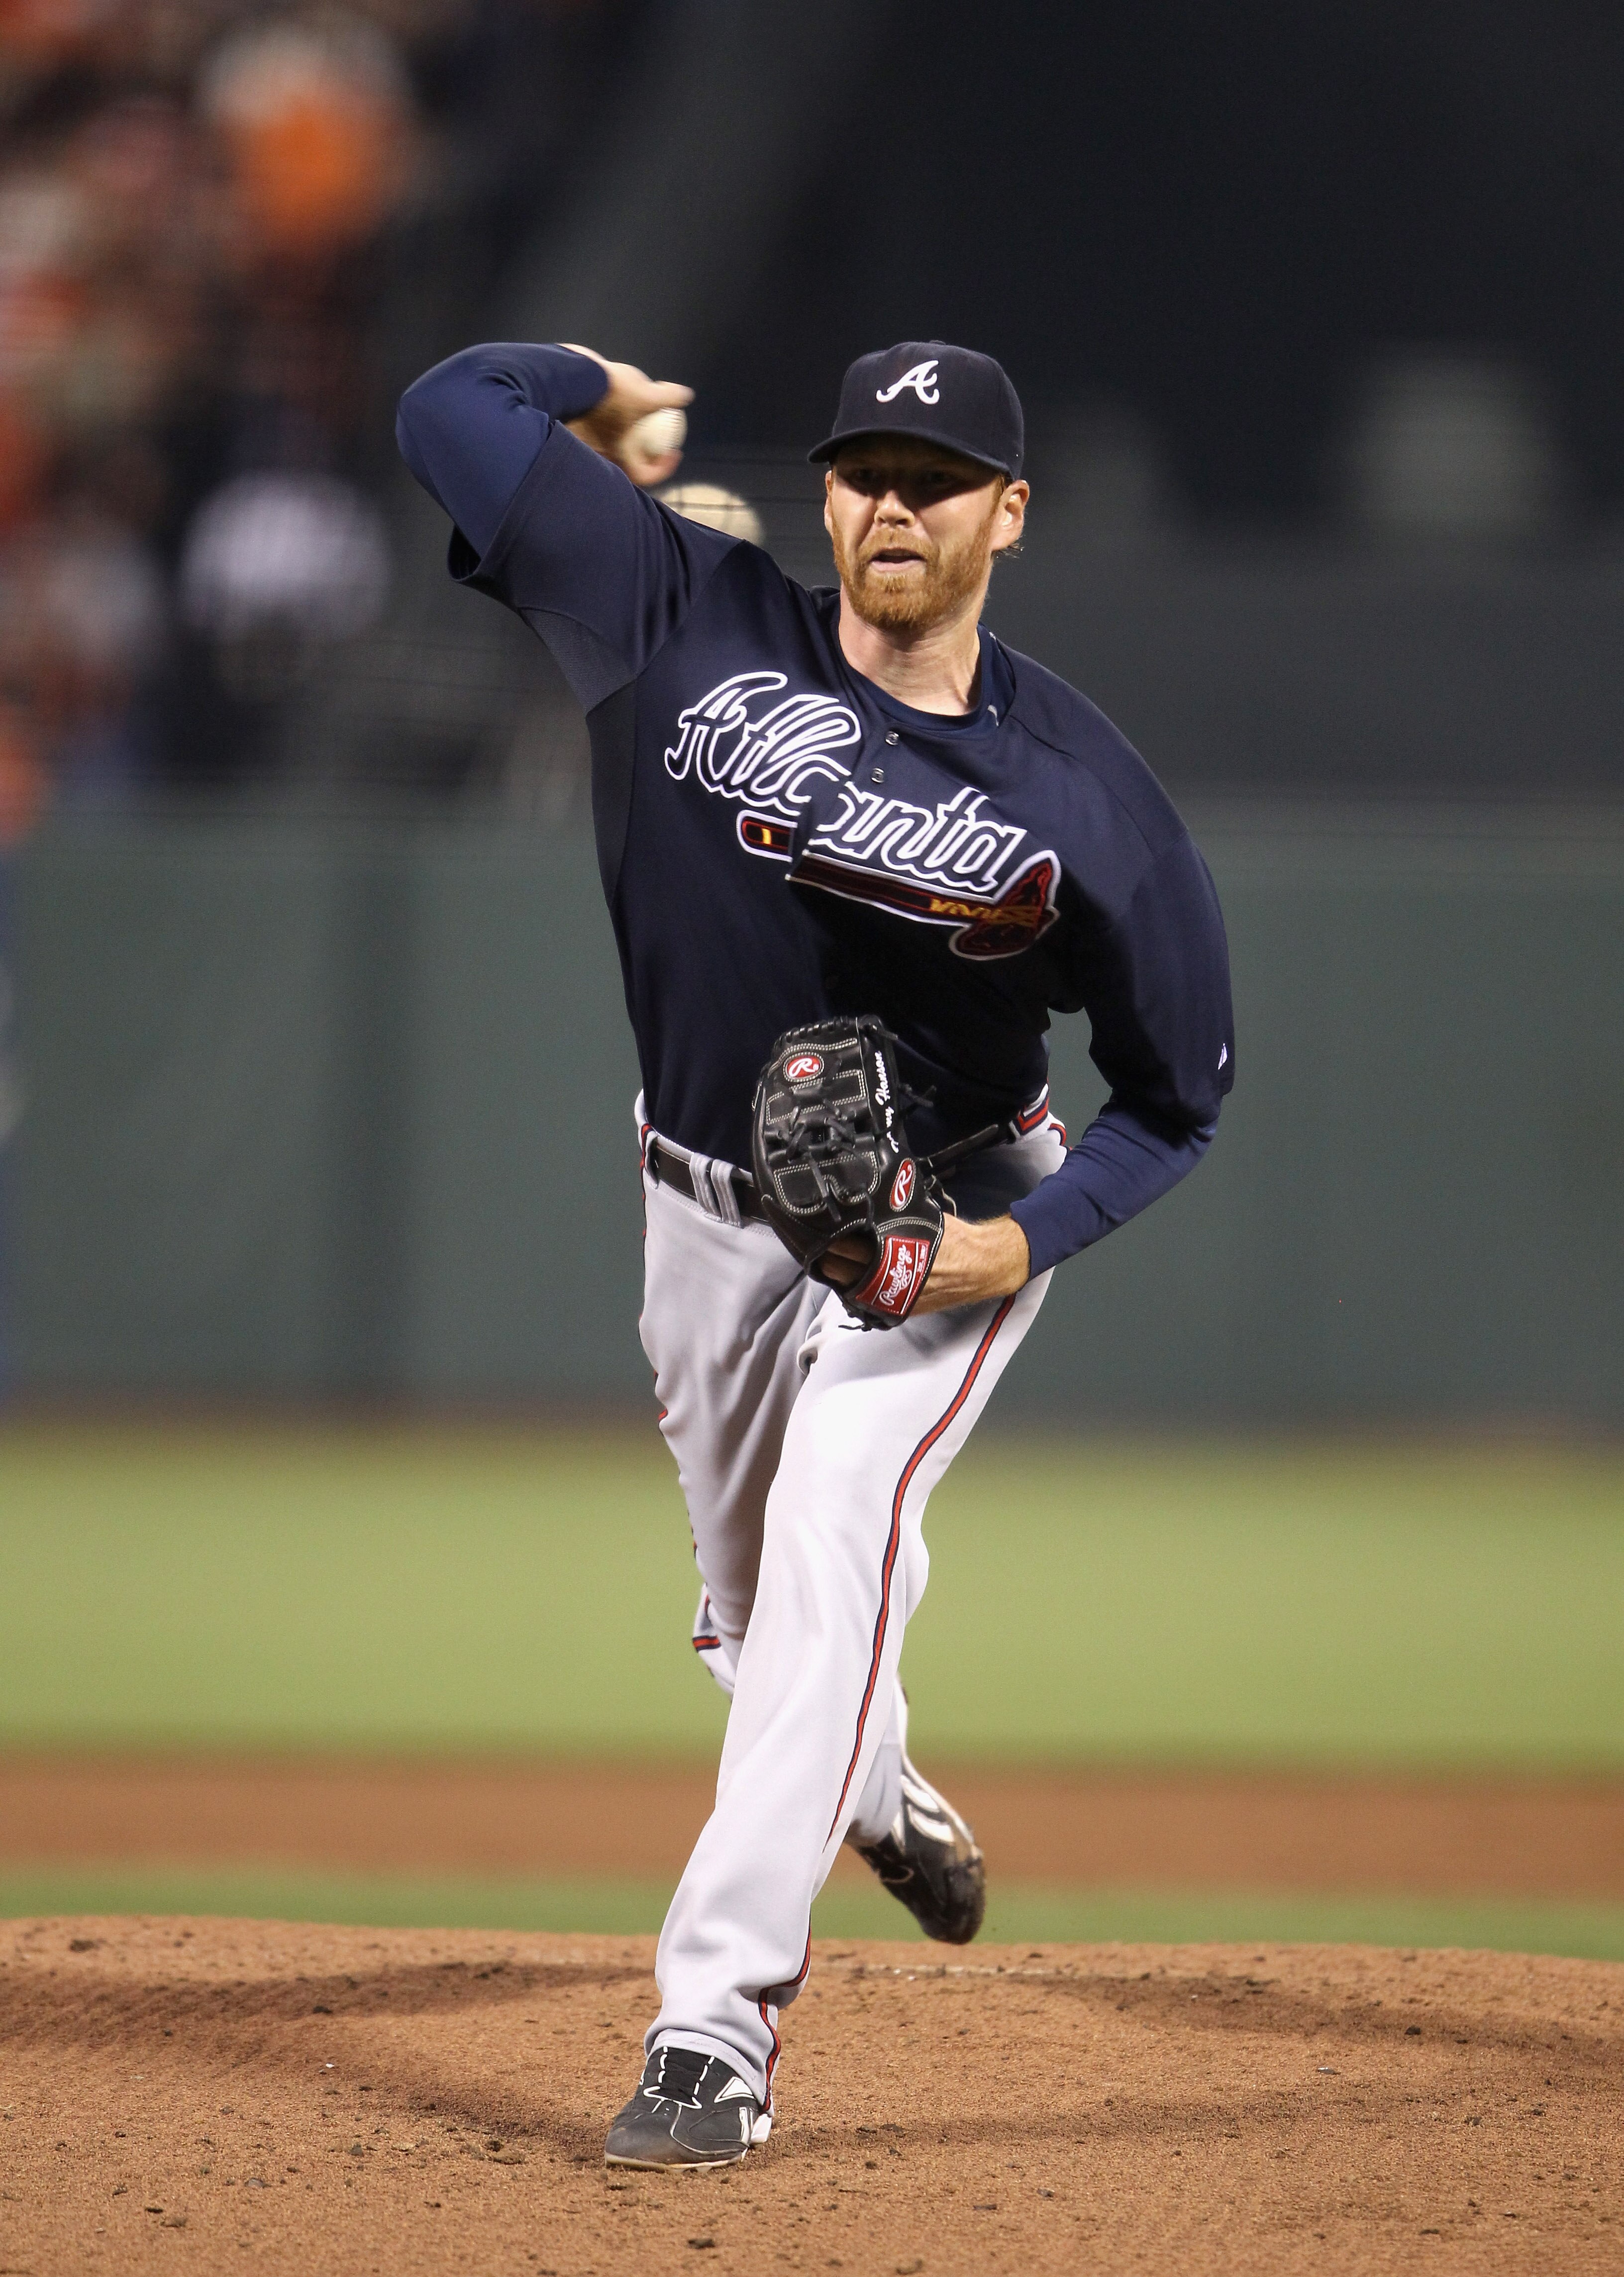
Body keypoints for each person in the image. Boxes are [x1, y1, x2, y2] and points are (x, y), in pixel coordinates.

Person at [397, 337, 1234, 2168]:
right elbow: (447, 414)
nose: (892, 507)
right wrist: (595, 390)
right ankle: (873, 1786)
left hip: (931, 1218)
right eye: (864, 471)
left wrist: (1008, 1248)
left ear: (1009, 514)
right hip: (698, 1205)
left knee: (844, 1505)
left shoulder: (1091, 799)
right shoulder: (676, 600)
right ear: (824, 492)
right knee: (748, 1620)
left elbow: (1178, 1101)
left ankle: (714, 2026)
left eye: (936, 479)